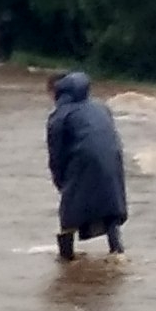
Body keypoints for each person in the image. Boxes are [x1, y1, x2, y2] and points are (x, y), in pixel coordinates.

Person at [45, 69, 127, 259]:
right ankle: (118, 252)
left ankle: (66, 260)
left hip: (83, 158)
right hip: (113, 159)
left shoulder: (60, 115)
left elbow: (56, 155)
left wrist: (60, 183)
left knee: (69, 211)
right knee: (109, 206)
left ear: (55, 91)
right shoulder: (100, 107)